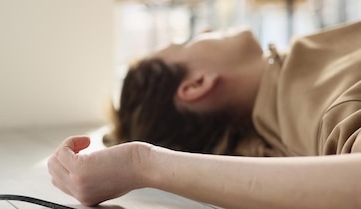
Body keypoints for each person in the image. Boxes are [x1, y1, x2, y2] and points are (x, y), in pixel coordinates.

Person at [47, 21, 361, 209]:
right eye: (187, 42)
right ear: (197, 84)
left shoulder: (299, 66)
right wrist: (140, 164)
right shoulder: (319, 103)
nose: (207, 29)